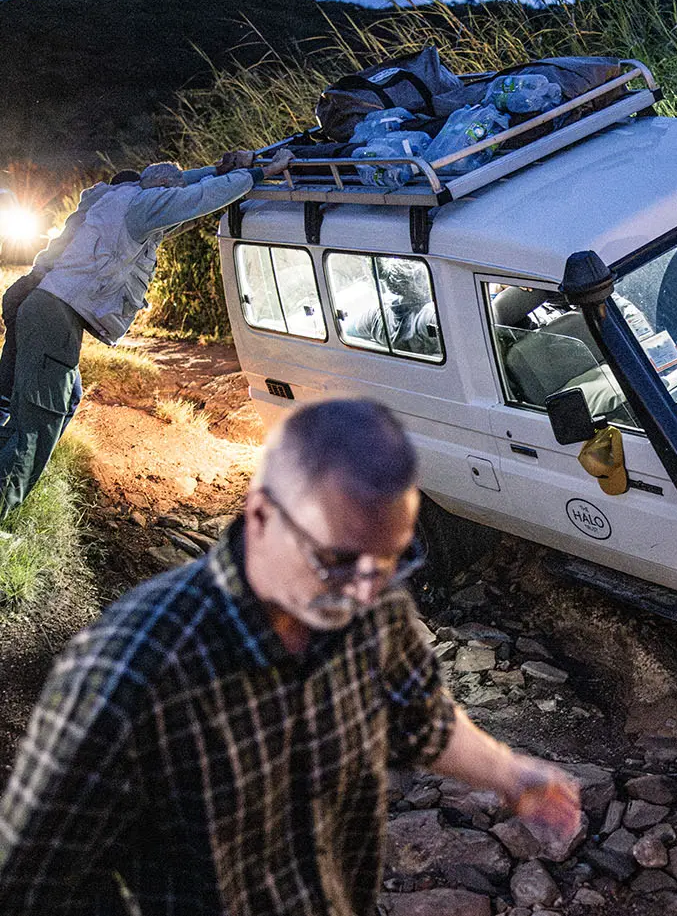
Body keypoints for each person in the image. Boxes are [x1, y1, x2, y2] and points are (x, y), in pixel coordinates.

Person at [0, 397, 582, 915]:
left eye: (388, 563)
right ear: (260, 515)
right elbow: (29, 885)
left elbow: (420, 717)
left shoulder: (370, 605)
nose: (362, 593)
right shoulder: (125, 675)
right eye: (335, 561)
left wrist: (512, 774)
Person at [0, 150, 293, 520]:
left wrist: (217, 170)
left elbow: (183, 187)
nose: (171, 200)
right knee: (39, 419)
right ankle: (4, 506)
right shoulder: (143, 207)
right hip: (54, 314)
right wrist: (260, 173)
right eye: (169, 192)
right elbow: (198, 197)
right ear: (160, 188)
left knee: (50, 397)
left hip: (43, 305)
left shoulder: (117, 197)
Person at [0, 170, 140, 431]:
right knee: (11, 392)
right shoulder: (107, 217)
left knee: (62, 394)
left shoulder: (97, 202)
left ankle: (17, 446)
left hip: (27, 292)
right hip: (36, 296)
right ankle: (14, 448)